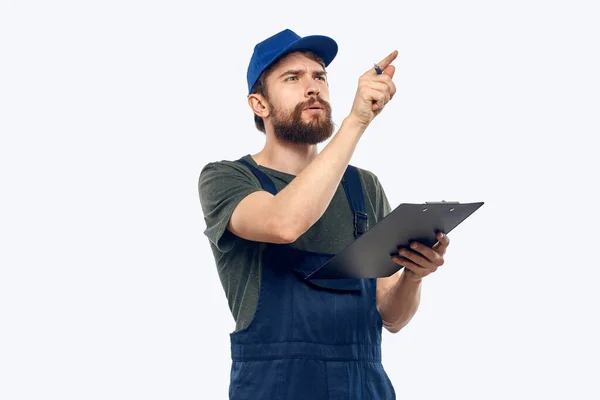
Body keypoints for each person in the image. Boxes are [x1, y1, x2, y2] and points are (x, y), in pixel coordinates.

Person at [198, 28, 450, 400]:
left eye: (319, 76)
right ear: (259, 104)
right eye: (292, 78)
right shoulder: (226, 178)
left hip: (363, 385)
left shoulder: (363, 187)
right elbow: (283, 223)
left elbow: (391, 317)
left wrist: (413, 275)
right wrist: (357, 121)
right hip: (275, 387)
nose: (312, 87)